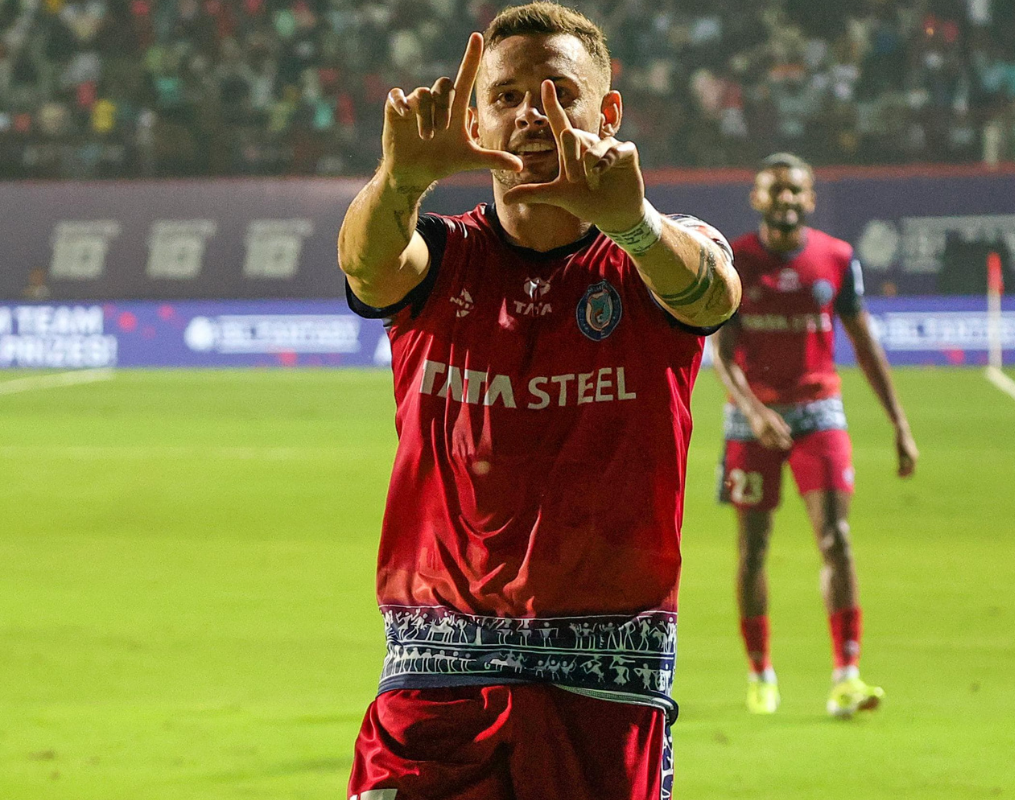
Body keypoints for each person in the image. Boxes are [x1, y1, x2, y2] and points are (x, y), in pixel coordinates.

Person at [336, 4, 741, 799]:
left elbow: (711, 297)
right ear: (477, 115)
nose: (530, 114)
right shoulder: (441, 257)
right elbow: (366, 266)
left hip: (605, 682)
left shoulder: (656, 253)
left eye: (556, 91)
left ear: (607, 112)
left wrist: (632, 225)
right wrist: (402, 180)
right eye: (508, 95)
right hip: (436, 675)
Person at [711, 153, 918, 717]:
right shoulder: (734, 260)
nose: (786, 200)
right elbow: (721, 354)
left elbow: (864, 342)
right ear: (757, 198)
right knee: (753, 549)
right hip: (752, 420)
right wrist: (752, 411)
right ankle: (761, 674)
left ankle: (847, 675)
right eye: (774, 191)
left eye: (795, 191)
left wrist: (899, 424)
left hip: (819, 412)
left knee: (838, 539)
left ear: (811, 199)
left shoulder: (837, 258)